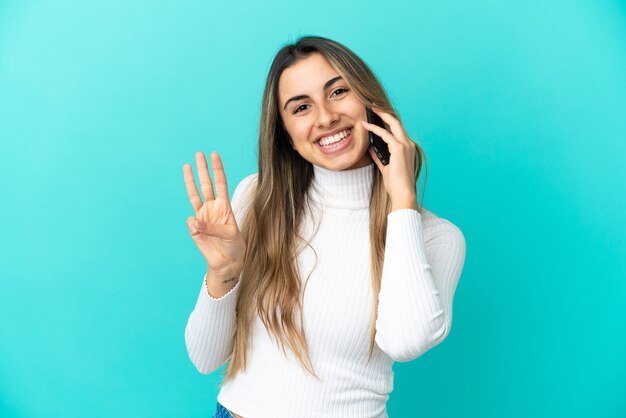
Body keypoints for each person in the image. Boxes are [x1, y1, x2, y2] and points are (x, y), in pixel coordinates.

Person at [182, 35, 466, 418]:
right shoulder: (257, 199)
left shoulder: (435, 237)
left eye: (338, 92)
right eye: (301, 107)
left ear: (368, 100)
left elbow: (404, 341)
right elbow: (205, 358)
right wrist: (223, 273)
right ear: (285, 133)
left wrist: (402, 200)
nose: (325, 117)